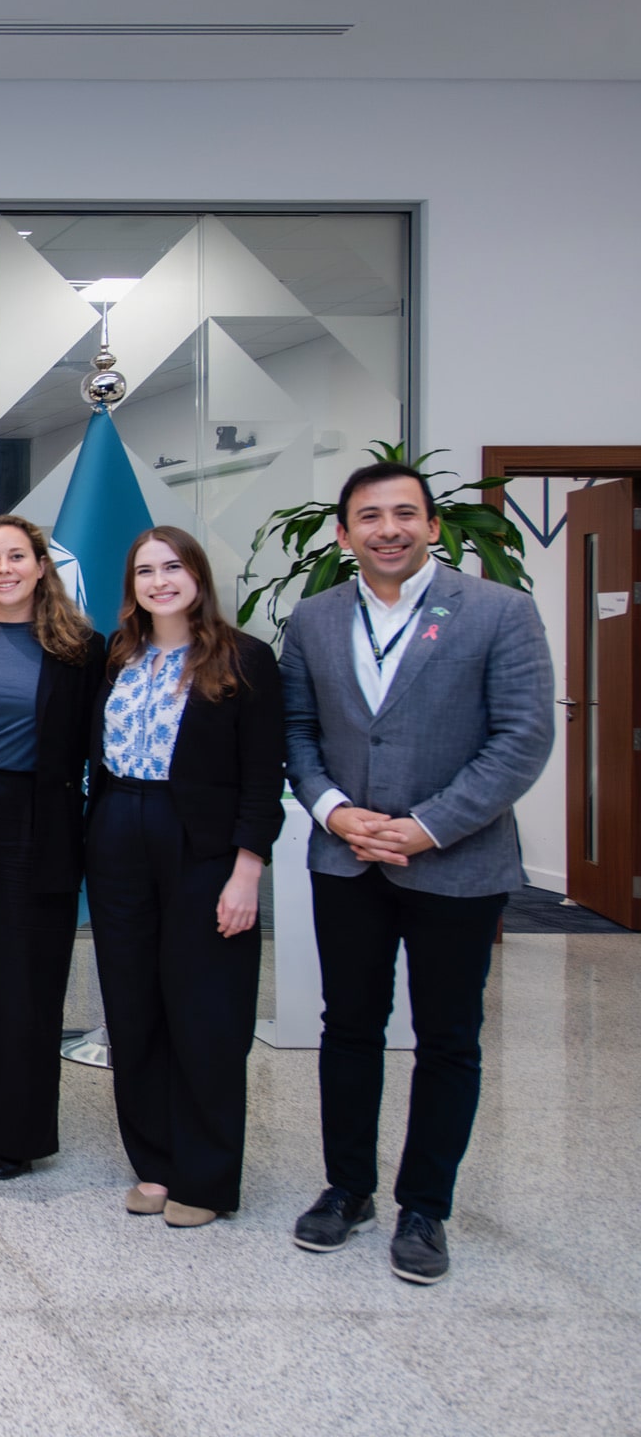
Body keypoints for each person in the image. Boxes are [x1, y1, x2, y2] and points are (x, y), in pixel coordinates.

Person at [281, 461, 552, 1284]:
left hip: (458, 865)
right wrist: (333, 809)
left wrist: (427, 827)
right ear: (344, 533)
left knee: (448, 1039)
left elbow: (521, 738)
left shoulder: (499, 612)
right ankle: (347, 1189)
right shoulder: (317, 618)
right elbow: (297, 729)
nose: (388, 529)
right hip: (347, 859)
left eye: (405, 514)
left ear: (434, 526)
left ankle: (425, 1206)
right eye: (370, 517)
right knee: (350, 1028)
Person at [87, 527, 284, 1228]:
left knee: (205, 1014)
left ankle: (206, 1176)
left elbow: (264, 777)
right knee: (134, 1007)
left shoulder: (243, 658)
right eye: (145, 570)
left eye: (172, 567)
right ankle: (156, 1164)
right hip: (118, 831)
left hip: (201, 843)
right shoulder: (119, 655)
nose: (159, 581)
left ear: (197, 574)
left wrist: (246, 870)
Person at [0, 516, 100, 1180]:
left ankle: (17, 1135)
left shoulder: (81, 650)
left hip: (40, 819)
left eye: (16, 557)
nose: (3, 569)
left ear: (41, 565)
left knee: (26, 983)